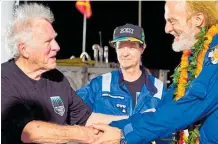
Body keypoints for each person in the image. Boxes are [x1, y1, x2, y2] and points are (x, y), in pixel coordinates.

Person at [91, 1, 218, 144]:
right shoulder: (193, 58)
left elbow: (188, 107)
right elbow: (166, 107)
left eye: (172, 21)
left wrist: (123, 135)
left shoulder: (215, 55)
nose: (167, 29)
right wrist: (112, 128)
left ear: (198, 20)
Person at [1, 3, 128, 144]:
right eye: (48, 42)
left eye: (54, 39)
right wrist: (85, 134)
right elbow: (29, 132)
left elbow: (86, 118)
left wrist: (135, 122)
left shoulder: (57, 78)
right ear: (24, 49)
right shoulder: (4, 79)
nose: (57, 46)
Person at [76, 23, 169, 143]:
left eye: (131, 47)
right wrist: (134, 119)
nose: (125, 53)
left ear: (142, 48)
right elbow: (74, 112)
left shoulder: (159, 89)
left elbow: (167, 131)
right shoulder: (99, 85)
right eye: (120, 46)